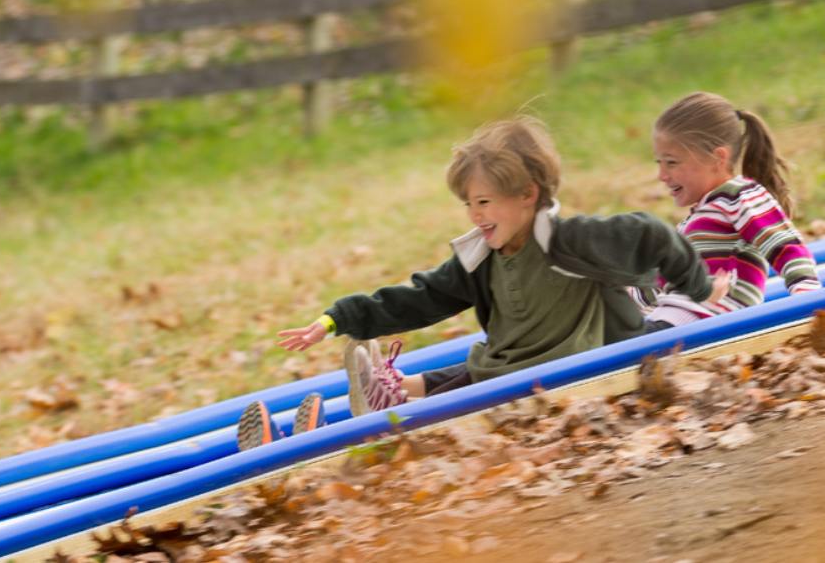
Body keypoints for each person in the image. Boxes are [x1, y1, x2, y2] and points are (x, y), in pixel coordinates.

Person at [265, 115, 731, 423]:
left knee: (490, 372)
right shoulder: (482, 258)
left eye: (484, 202)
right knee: (488, 361)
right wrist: (337, 319)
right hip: (513, 367)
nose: (474, 214)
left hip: (582, 362)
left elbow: (652, 233)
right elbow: (422, 297)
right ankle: (391, 393)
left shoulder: (570, 240)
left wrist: (698, 286)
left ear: (528, 194)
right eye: (468, 203)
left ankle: (398, 396)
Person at [635, 91, 820, 331]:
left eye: (671, 162)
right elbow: (659, 283)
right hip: (670, 318)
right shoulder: (694, 223)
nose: (662, 175)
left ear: (717, 158)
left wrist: (807, 296)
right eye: (659, 163)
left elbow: (783, 244)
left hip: (702, 319)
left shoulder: (739, 195)